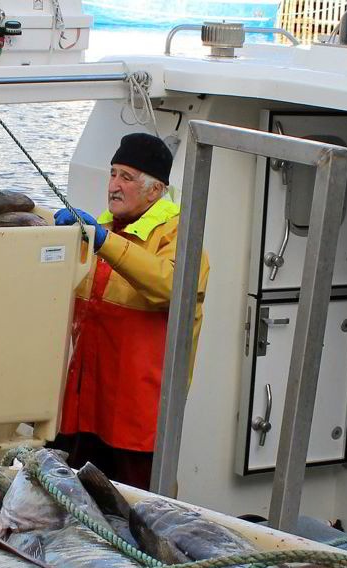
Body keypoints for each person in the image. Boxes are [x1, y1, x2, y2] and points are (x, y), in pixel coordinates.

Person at [50, 132, 210, 487]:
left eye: (126, 176)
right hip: (85, 412)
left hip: (139, 423)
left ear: (155, 190)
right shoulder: (103, 229)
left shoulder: (180, 234)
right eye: (112, 173)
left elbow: (170, 286)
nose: (114, 185)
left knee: (140, 510)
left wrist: (105, 243)